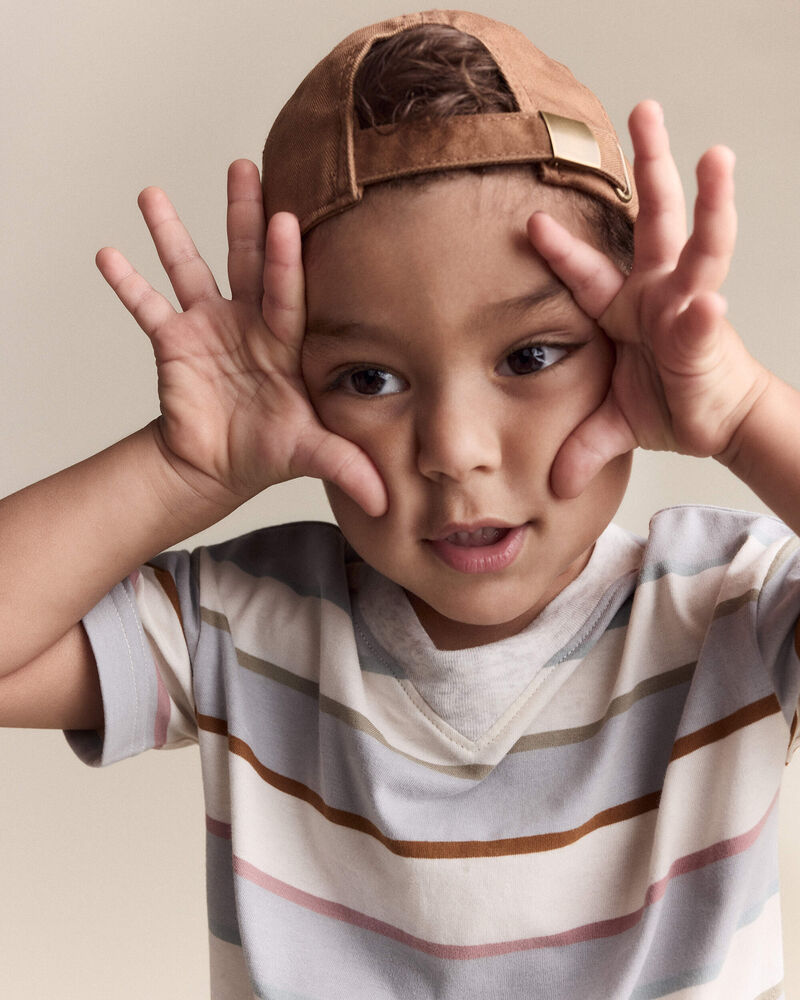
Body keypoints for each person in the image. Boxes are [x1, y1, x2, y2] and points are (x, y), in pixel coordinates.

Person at [1, 8, 798, 998]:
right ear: (296, 381)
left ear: (625, 351)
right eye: (370, 378)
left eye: (530, 355)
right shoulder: (251, 624)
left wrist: (746, 413)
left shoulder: (729, 605)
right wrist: (182, 469)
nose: (455, 452)